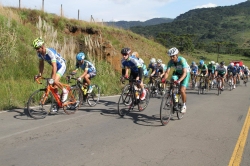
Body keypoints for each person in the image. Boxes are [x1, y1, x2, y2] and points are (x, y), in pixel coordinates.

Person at [32, 37, 68, 102]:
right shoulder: (39, 54)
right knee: (53, 85)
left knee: (55, 81)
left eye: (37, 48)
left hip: (61, 66)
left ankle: (65, 91)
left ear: (42, 46)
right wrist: (40, 74)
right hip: (55, 67)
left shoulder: (50, 52)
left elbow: (54, 66)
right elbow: (41, 64)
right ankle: (59, 102)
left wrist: (53, 79)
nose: (36, 50)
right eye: (35, 49)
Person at [161, 47, 190, 113]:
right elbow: (167, 72)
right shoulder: (170, 62)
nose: (172, 58)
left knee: (182, 90)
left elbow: (185, 73)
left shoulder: (182, 60)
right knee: (172, 80)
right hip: (177, 73)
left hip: (185, 74)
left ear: (176, 55)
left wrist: (179, 81)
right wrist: (164, 79)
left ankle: (184, 105)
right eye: (170, 56)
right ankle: (174, 100)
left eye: (173, 56)